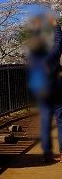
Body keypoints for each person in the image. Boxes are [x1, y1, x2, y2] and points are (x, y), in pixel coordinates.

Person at [26, 14, 62, 163]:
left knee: (45, 121)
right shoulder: (51, 55)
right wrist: (56, 26)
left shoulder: (34, 57)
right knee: (61, 120)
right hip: (58, 89)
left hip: (43, 91)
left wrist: (36, 28)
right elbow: (59, 42)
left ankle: (47, 153)